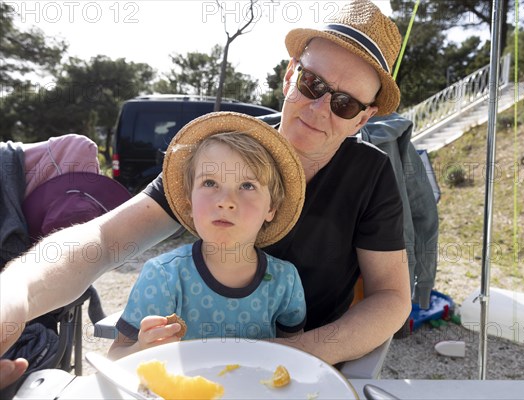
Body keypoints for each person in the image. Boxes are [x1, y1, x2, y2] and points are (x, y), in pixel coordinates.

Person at [0, 0, 412, 387]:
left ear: (364, 117)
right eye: (312, 82)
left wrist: (295, 352)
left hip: (300, 378)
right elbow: (105, 240)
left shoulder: (370, 174)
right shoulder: (226, 148)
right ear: (290, 74)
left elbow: (392, 296)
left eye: (343, 103)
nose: (320, 108)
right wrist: (15, 295)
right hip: (194, 370)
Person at [108, 112, 307, 359]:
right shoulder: (163, 278)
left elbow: (297, 357)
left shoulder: (284, 281)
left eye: (247, 186)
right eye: (210, 183)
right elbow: (115, 357)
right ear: (189, 202)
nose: (225, 202)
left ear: (271, 208)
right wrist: (140, 349)